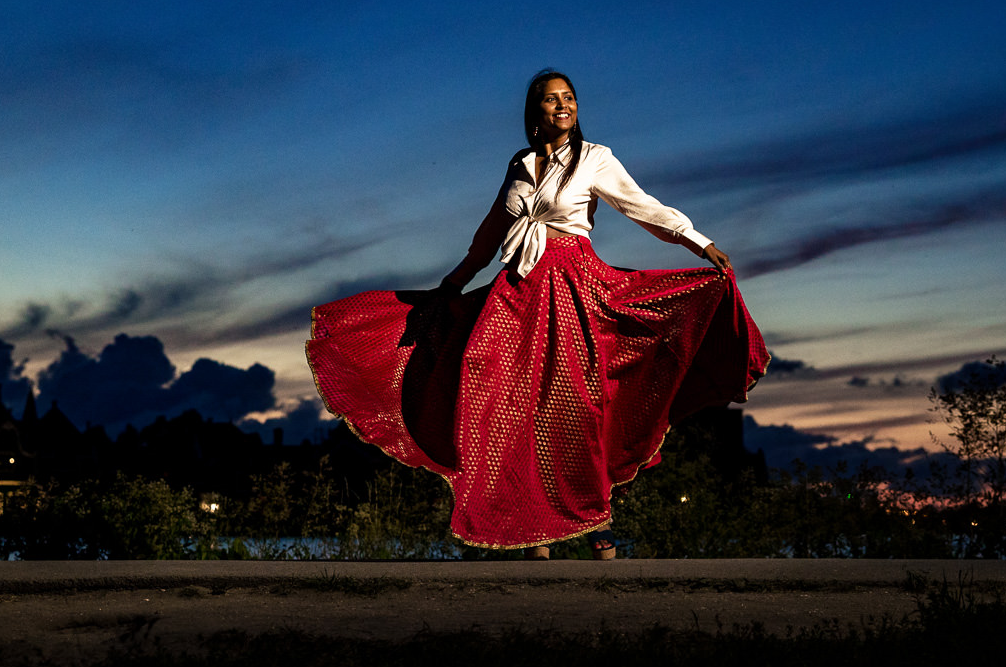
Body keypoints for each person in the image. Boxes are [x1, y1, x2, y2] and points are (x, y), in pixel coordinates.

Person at [306, 69, 767, 557]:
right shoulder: (521, 164)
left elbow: (642, 207)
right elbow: (491, 230)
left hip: (574, 287)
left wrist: (698, 241)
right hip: (516, 293)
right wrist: (455, 282)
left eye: (568, 98)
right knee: (503, 405)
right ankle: (531, 526)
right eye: (551, 100)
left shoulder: (594, 159)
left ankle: (595, 522)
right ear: (535, 113)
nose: (562, 105)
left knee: (579, 405)